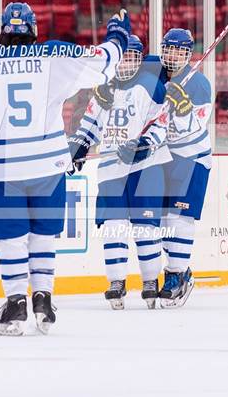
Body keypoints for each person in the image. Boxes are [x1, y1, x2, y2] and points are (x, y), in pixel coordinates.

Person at [0, 2, 131, 335]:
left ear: (2, 31)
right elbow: (105, 63)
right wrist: (119, 35)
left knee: (12, 240)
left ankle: (15, 304)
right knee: (43, 235)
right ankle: (43, 300)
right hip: (48, 165)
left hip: (2, 167)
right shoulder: (53, 56)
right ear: (33, 31)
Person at [67, 35, 171, 310]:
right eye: (123, 57)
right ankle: (116, 281)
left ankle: (150, 281)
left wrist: (144, 145)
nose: (126, 63)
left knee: (145, 227)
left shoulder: (153, 87)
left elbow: (161, 124)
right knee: (113, 226)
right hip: (111, 169)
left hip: (145, 168)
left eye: (132, 57)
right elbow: (91, 122)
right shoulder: (104, 88)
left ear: (139, 59)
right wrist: (80, 145)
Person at [156, 28, 212, 308]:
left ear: (188, 54)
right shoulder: (154, 79)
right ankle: (179, 271)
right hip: (163, 158)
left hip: (192, 158)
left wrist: (180, 110)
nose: (173, 55)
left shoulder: (199, 85)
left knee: (180, 218)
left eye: (179, 50)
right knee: (163, 221)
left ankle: (176, 274)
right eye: (169, 49)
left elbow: (193, 131)